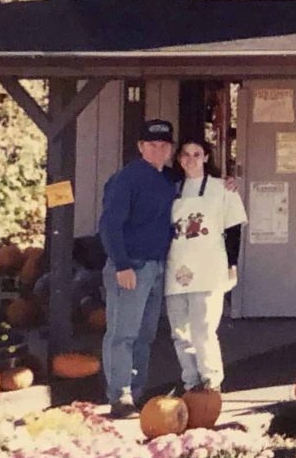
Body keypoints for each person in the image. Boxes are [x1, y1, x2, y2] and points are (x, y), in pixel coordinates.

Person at [98, 119, 176, 418]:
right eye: (152, 145)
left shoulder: (168, 180)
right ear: (141, 147)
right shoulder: (126, 179)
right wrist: (122, 264)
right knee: (123, 334)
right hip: (132, 267)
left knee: (146, 335)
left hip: (157, 267)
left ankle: (137, 390)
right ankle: (120, 396)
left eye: (164, 145)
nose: (158, 150)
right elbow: (110, 225)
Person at [165, 136, 247, 393]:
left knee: (204, 330)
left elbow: (234, 229)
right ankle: (191, 383)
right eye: (186, 155)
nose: (191, 159)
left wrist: (232, 263)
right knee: (180, 332)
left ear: (206, 157)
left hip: (209, 266)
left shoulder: (222, 188)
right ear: (179, 159)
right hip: (176, 267)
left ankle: (211, 384)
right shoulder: (170, 188)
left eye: (197, 154)